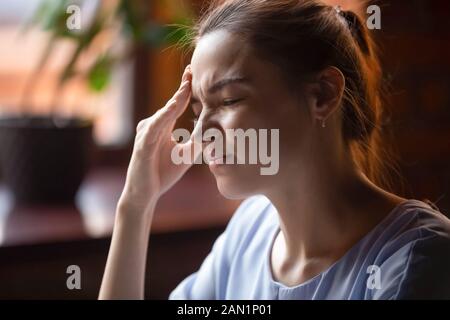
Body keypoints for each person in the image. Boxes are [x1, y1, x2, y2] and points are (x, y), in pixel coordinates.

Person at [99, 0, 450, 300]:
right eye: (196, 109)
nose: (202, 131)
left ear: (323, 94)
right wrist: (135, 204)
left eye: (229, 99)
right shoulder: (249, 232)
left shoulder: (416, 260)